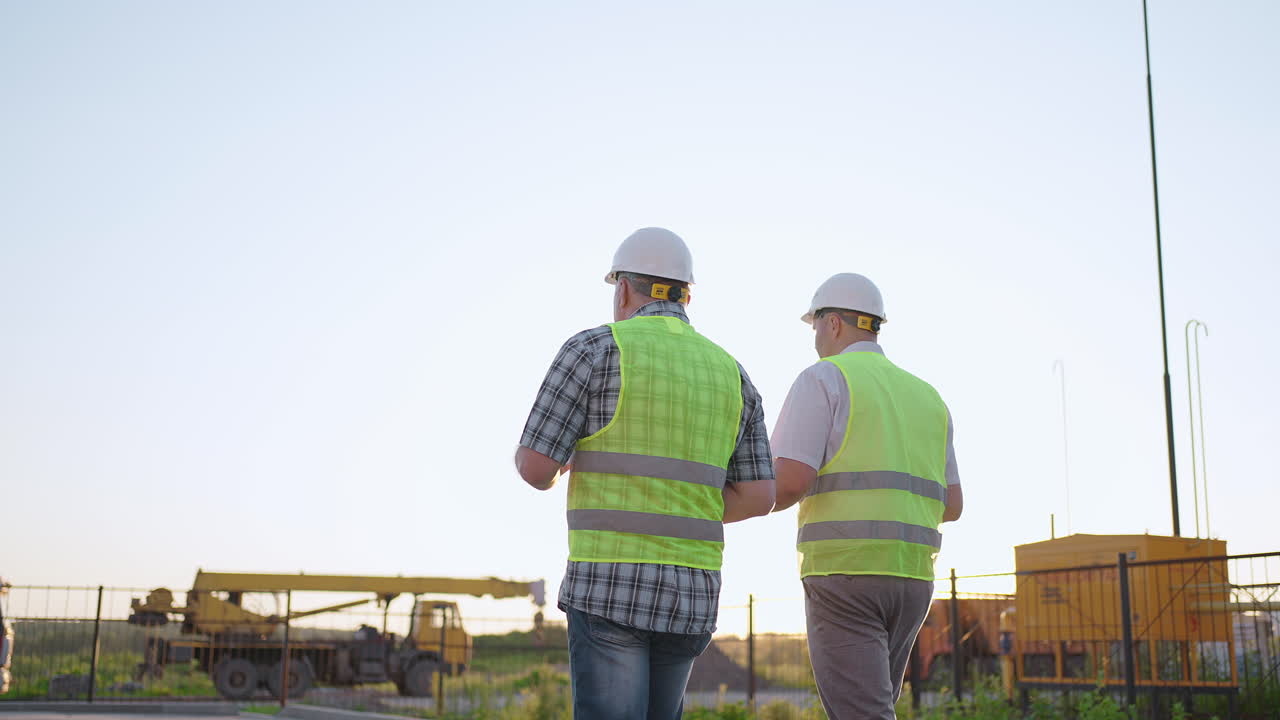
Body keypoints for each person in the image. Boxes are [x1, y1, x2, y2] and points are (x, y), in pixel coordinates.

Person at [515, 227, 776, 720]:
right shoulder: (732, 372)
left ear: (623, 289)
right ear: (687, 295)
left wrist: (570, 463)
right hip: (692, 593)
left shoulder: (593, 349)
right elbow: (760, 495)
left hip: (608, 584)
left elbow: (535, 467)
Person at [771, 272, 963, 720]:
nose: (815, 337)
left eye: (815, 325)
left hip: (845, 573)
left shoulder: (823, 379)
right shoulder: (928, 396)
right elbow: (951, 506)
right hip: (913, 579)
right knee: (875, 705)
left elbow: (790, 482)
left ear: (833, 323)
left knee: (863, 713)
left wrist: (723, 502)